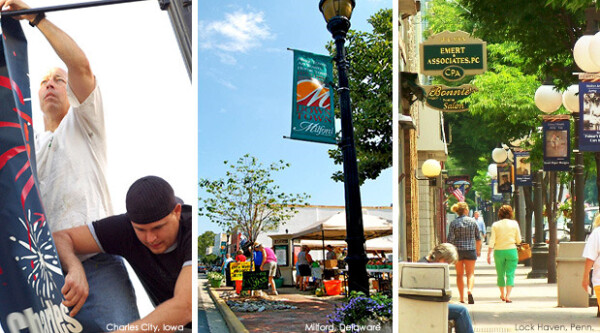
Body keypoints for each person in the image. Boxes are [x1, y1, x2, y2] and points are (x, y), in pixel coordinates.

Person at [0, 0, 140, 329]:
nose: (50, 84)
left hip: (98, 264)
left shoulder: (85, 124)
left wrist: (38, 19)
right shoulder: (23, 147)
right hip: (42, 275)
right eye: (44, 80)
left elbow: (80, 67)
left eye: (58, 81)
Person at [53, 175, 192, 331]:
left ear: (177, 212)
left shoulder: (192, 231)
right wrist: (74, 266)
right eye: (140, 230)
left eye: (158, 227)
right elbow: (61, 238)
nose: (151, 238)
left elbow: (185, 306)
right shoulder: (125, 229)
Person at [418, 243, 474, 333]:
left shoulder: (424, 263)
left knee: (459, 309)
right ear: (440, 257)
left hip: (426, 304)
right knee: (461, 311)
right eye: (447, 262)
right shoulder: (429, 268)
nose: (447, 265)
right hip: (429, 306)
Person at [447, 202, 482, 304]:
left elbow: (450, 239)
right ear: (466, 210)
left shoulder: (454, 223)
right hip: (470, 250)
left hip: (458, 252)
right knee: (470, 274)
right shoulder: (473, 222)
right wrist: (478, 250)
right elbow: (478, 238)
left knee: (459, 275)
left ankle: (462, 297)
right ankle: (469, 290)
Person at [487, 205, 521, 303]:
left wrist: (488, 254)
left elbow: (492, 240)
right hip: (511, 250)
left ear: (500, 214)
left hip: (498, 251)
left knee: (500, 273)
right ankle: (508, 296)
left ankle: (502, 294)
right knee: (510, 274)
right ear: (511, 213)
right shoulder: (514, 224)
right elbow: (518, 240)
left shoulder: (495, 225)